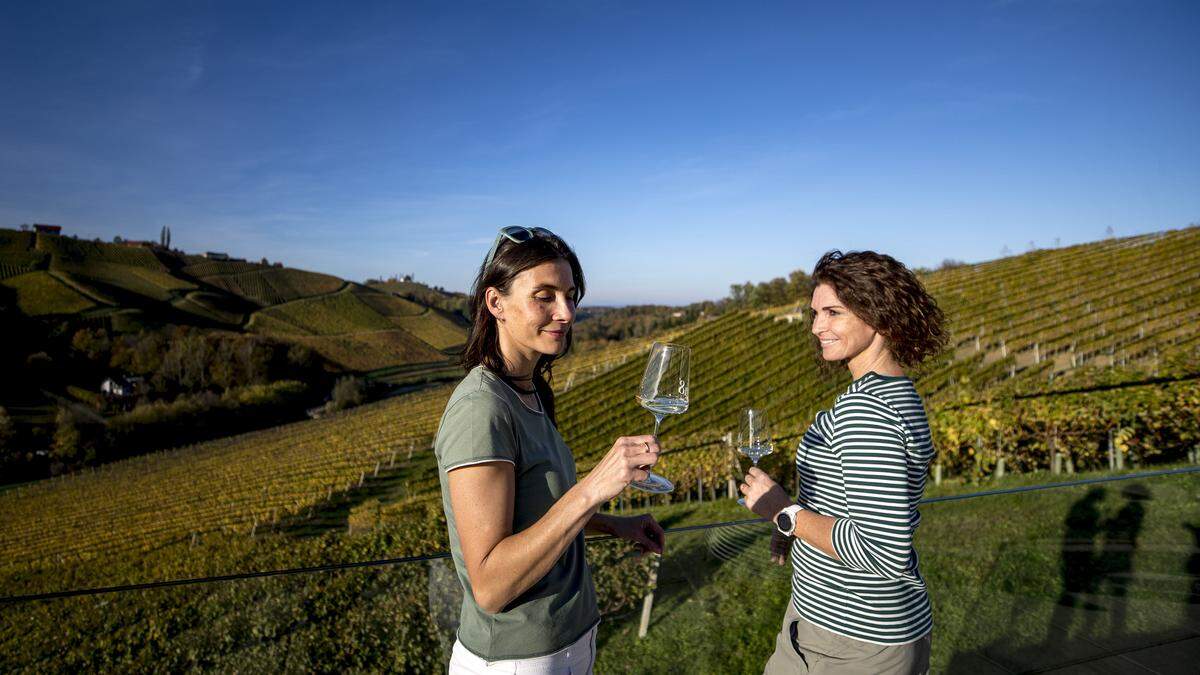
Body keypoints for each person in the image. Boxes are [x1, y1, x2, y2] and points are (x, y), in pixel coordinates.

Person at [435, 226, 666, 674]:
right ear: (495, 303)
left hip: (567, 640)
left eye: (570, 295)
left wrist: (616, 525)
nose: (565, 312)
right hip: (515, 658)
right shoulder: (481, 409)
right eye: (545, 296)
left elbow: (537, 513)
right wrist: (594, 488)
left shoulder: (530, 391)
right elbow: (491, 584)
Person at [739, 250, 949, 674]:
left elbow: (881, 549)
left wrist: (785, 512)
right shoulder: (897, 392)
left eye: (833, 312)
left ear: (880, 315)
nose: (817, 326)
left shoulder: (866, 409)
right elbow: (860, 505)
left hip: (850, 642)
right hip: (843, 628)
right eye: (815, 312)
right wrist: (796, 527)